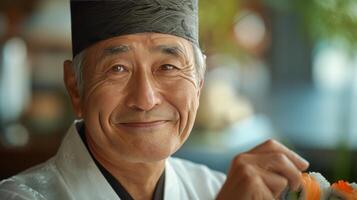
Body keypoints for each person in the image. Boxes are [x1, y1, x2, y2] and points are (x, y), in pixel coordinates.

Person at [0, 0, 309, 199]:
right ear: (75, 88)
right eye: (118, 68)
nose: (145, 98)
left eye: (168, 67)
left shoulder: (214, 189)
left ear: (199, 82)